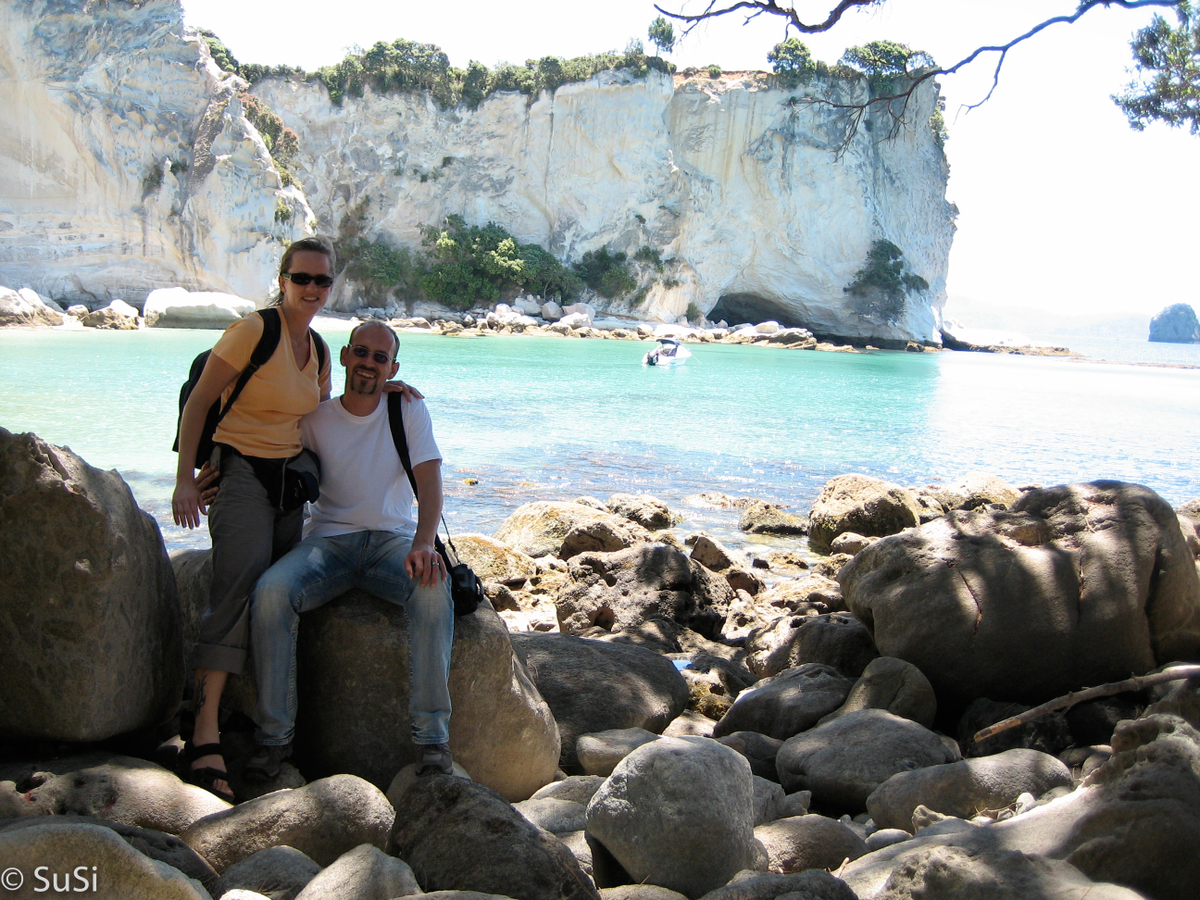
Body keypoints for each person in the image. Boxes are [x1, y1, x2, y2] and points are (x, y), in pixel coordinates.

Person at [243, 320, 455, 781]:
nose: (368, 363)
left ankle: (432, 740)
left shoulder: (408, 408)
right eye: (361, 352)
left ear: (393, 368)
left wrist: (423, 543)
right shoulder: (314, 419)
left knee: (433, 589)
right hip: (328, 544)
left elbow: (430, 479)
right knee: (271, 592)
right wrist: (211, 471)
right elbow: (261, 445)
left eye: (380, 358)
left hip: (392, 542)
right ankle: (273, 739)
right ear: (344, 355)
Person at [171, 236, 337, 803]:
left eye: (322, 280)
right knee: (236, 590)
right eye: (302, 278)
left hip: (288, 487)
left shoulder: (319, 350)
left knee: (275, 597)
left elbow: (323, 421)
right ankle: (203, 730)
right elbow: (200, 402)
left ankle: (263, 720)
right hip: (240, 473)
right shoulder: (253, 331)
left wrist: (389, 390)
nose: (311, 289)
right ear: (283, 280)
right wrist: (184, 480)